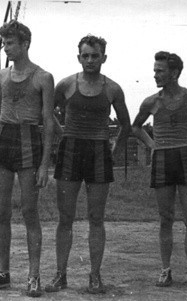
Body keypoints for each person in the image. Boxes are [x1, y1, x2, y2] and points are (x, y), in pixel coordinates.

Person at [44, 34, 131, 294]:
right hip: (70, 151)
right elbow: (47, 113)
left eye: (95, 56)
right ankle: (61, 275)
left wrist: (114, 148)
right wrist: (63, 134)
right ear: (78, 57)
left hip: (99, 150)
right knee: (65, 217)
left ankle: (95, 276)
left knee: (96, 217)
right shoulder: (66, 85)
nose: (90, 60)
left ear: (104, 57)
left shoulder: (112, 88)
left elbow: (126, 125)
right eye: (85, 55)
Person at [0, 20, 55, 298]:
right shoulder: (1, 75)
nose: (6, 48)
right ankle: (3, 272)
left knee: (29, 211)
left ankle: (34, 275)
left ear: (25, 44)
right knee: (2, 212)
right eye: (4, 43)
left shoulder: (43, 77)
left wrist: (45, 163)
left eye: (10, 43)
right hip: (2, 140)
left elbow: (48, 122)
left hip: (28, 141)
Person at [132, 51, 187, 290]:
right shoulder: (151, 101)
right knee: (165, 218)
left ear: (174, 73)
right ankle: (165, 270)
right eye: (155, 70)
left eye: (160, 71)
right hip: (163, 158)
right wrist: (153, 146)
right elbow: (136, 127)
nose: (155, 75)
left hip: (186, 156)